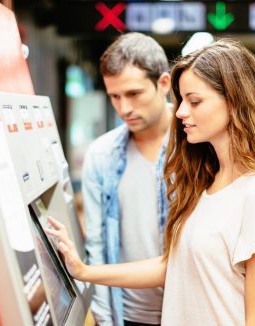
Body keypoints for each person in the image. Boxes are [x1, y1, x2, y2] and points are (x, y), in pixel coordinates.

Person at [49, 39, 255, 325]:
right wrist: (84, 271)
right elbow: (174, 264)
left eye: (194, 101)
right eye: (181, 100)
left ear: (235, 101)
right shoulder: (206, 180)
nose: (181, 111)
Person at [81, 32, 172, 326]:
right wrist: (105, 320)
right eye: (115, 97)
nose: (124, 109)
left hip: (189, 310)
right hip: (128, 315)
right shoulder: (101, 156)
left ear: (164, 84)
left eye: (133, 94)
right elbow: (97, 246)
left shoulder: (197, 146)